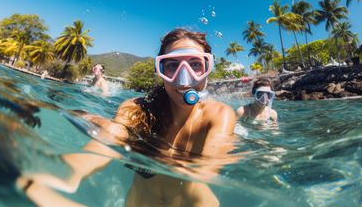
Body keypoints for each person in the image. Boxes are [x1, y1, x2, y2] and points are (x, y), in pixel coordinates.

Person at [18, 28, 237, 207]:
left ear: (209, 68)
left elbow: (208, 170)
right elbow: (110, 138)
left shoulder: (218, 114)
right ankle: (59, 171)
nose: (184, 76)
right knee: (113, 131)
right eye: (172, 65)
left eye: (196, 64)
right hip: (139, 202)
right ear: (160, 71)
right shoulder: (137, 108)